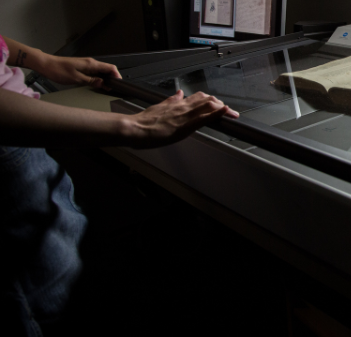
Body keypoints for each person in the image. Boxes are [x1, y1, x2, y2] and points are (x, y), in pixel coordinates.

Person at [0, 34, 239, 336]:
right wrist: (135, 125)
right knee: (58, 308)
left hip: (21, 145)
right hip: (8, 151)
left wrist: (44, 60)